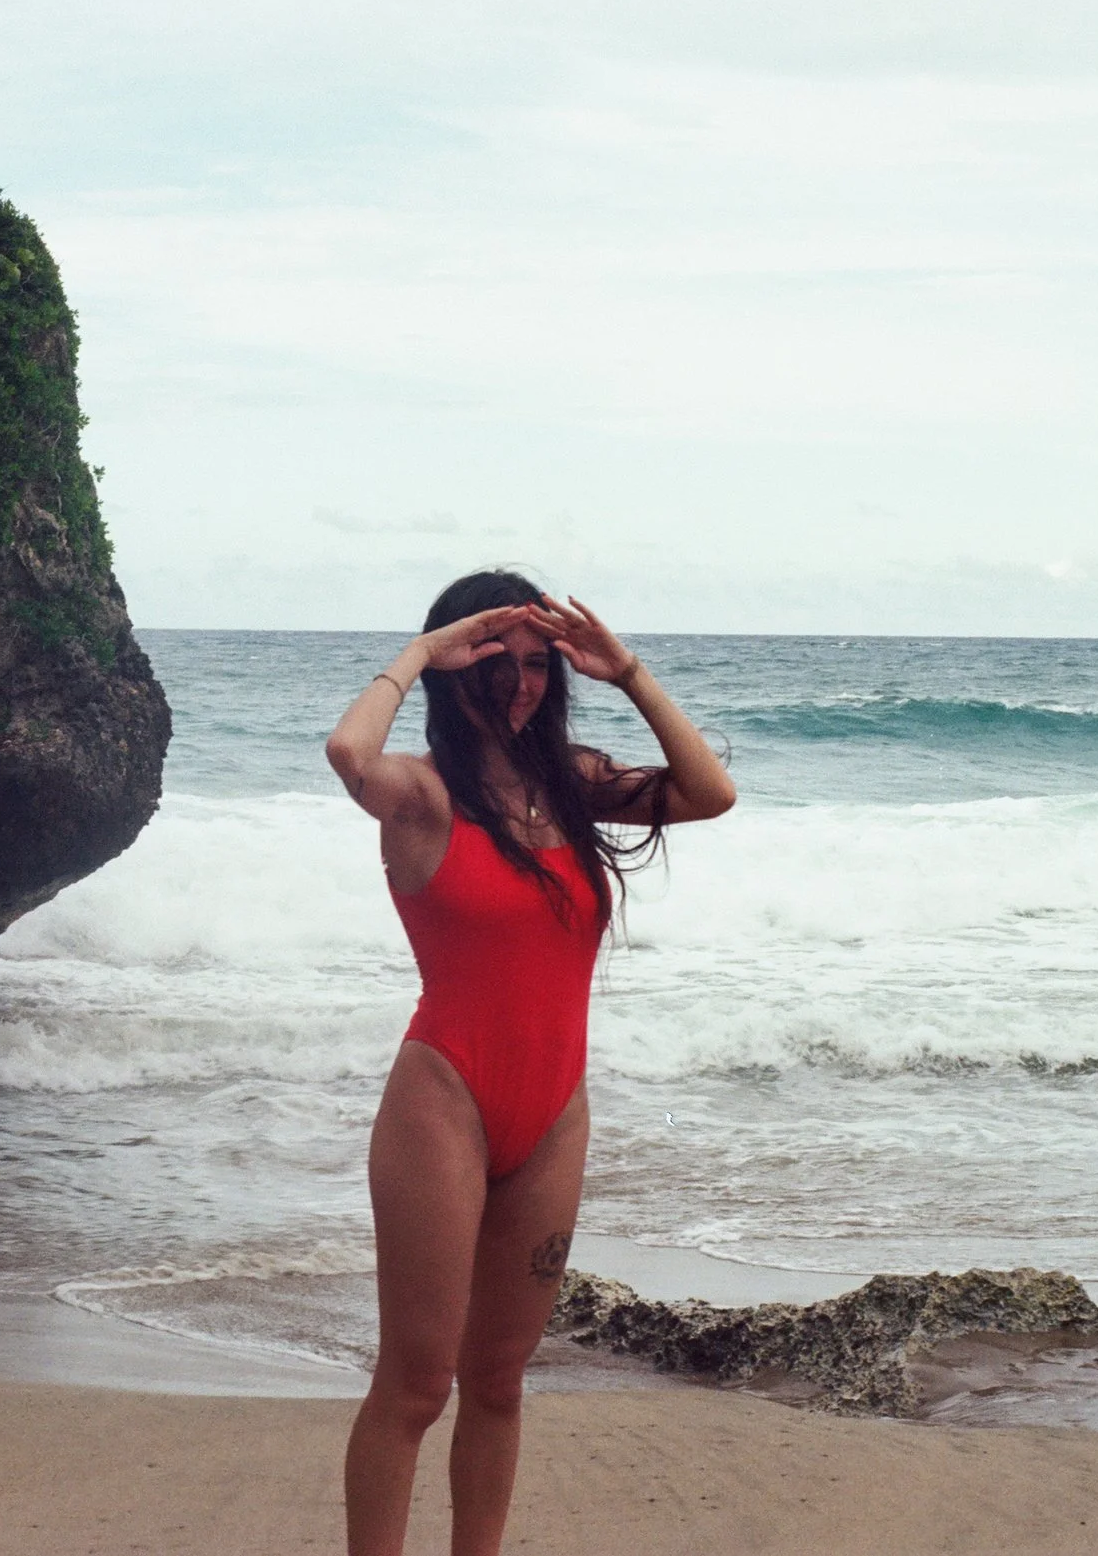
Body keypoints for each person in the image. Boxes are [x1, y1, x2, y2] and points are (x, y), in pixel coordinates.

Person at [324, 568, 736, 1556]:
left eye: (538, 665)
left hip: (553, 1112)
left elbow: (711, 792)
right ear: (454, 668)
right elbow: (347, 750)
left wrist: (626, 669)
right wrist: (423, 649)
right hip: (443, 1099)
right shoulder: (420, 796)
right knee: (417, 1383)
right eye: (495, 661)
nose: (518, 683)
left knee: (500, 1381)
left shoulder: (578, 785)